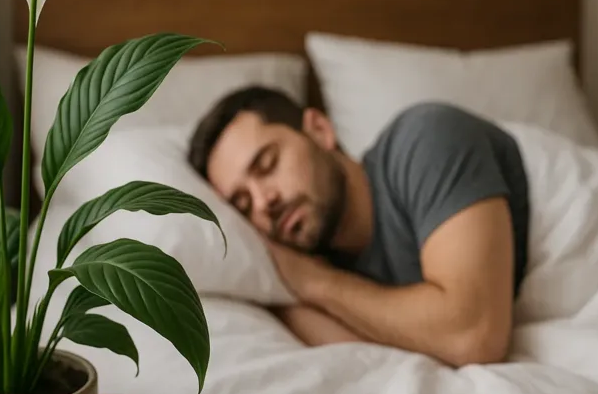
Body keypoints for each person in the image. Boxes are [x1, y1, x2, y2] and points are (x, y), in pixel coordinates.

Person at [187, 87, 531, 367]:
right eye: (243, 205)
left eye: (268, 164)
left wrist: (316, 283)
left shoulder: (426, 138)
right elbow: (381, 369)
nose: (264, 203)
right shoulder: (308, 275)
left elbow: (474, 335)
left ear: (319, 130)